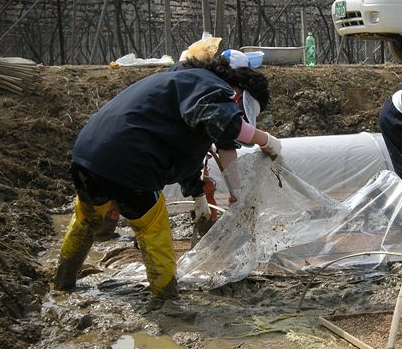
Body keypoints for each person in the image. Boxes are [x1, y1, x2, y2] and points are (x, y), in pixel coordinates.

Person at [53, 46, 281, 301]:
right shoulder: (213, 89)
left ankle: (63, 284)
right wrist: (264, 139)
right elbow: (228, 123)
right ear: (238, 93)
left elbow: (193, 152)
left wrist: (198, 194)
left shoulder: (184, 80)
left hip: (87, 154)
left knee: (85, 220)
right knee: (154, 232)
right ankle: (167, 302)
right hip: (128, 162)